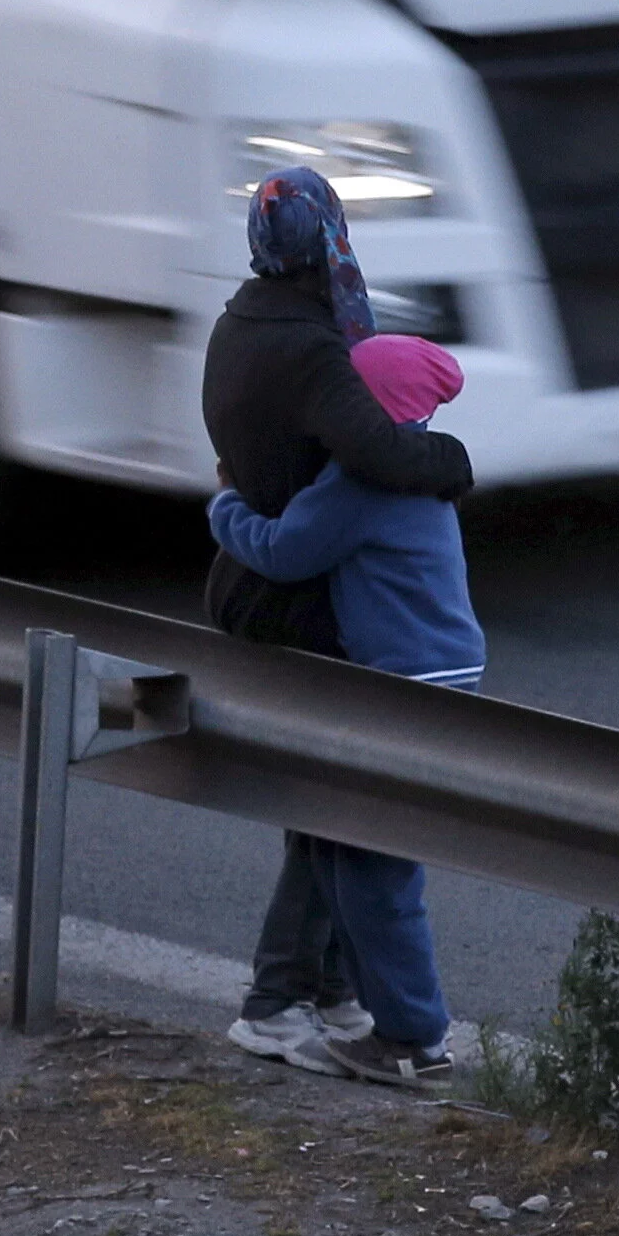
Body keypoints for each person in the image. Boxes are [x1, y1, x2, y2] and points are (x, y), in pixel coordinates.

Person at [203, 165, 473, 1078]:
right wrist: (455, 459)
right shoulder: (316, 354)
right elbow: (381, 453)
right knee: (337, 826)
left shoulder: (233, 326)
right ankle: (294, 1002)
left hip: (253, 596)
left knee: (326, 819)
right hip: (303, 607)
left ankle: (323, 991)